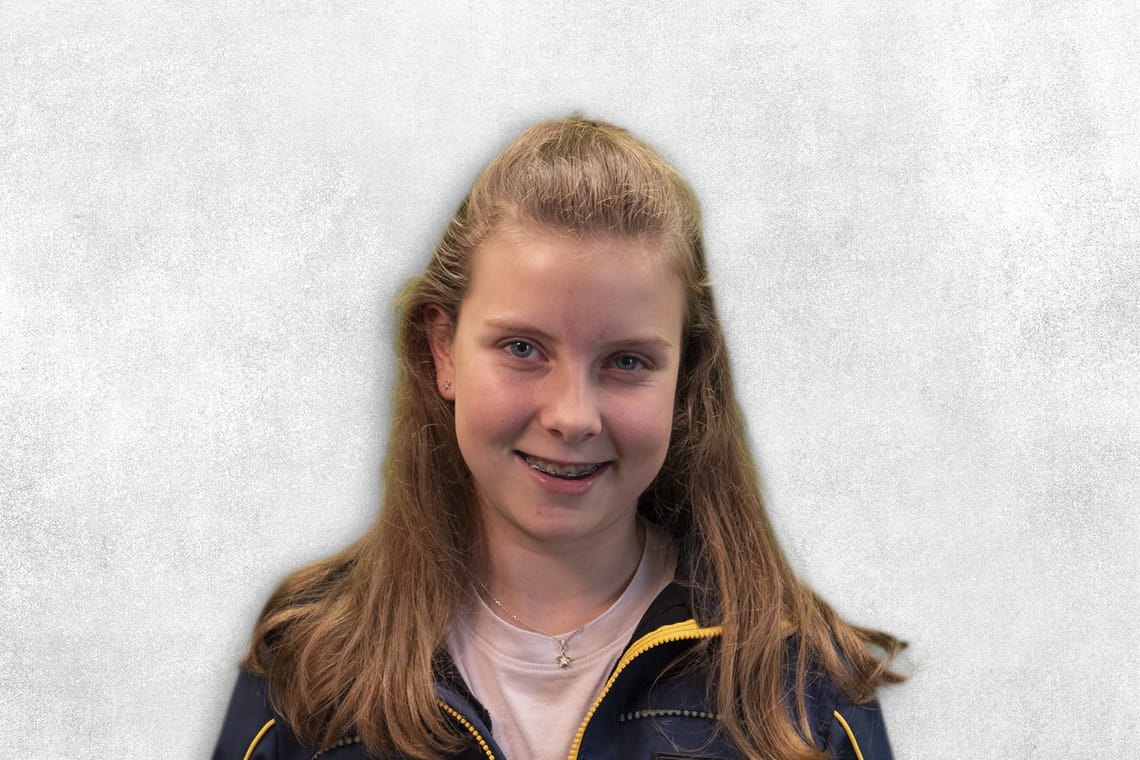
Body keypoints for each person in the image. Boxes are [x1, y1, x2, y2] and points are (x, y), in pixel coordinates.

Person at [213, 116, 905, 760]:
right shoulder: (306, 666)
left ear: (684, 377)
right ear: (444, 349)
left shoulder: (806, 692)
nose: (573, 417)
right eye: (522, 348)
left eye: (627, 361)